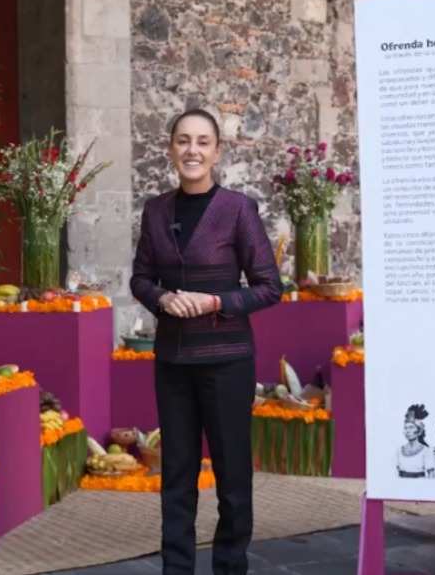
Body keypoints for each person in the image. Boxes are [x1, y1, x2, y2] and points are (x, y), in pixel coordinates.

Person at [130, 109, 283, 575]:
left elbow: (269, 287)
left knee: (232, 476)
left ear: (217, 152)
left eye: (202, 142)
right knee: (176, 476)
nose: (192, 150)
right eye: (183, 141)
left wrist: (215, 301)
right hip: (173, 362)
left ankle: (230, 567)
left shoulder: (238, 209)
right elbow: (140, 279)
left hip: (227, 363)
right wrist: (162, 299)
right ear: (170, 149)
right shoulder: (156, 210)